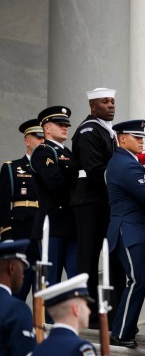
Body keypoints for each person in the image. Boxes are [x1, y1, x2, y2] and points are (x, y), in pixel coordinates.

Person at [107, 119, 145, 350]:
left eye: (142, 137)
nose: (142, 141)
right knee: (139, 279)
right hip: (131, 231)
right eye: (137, 137)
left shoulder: (132, 163)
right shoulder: (124, 164)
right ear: (122, 139)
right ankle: (122, 332)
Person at [71, 87, 122, 313]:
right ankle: (87, 309)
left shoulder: (106, 131)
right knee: (88, 256)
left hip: (104, 200)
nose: (111, 105)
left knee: (110, 256)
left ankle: (107, 309)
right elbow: (94, 169)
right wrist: (123, 179)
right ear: (93, 107)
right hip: (90, 201)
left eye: (112, 101)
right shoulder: (88, 130)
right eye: (105, 102)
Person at [30, 105, 78, 285]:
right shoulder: (44, 152)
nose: (65, 127)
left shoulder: (68, 153)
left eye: (66, 124)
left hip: (71, 224)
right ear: (47, 128)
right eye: (60, 124)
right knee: (51, 280)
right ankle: (48, 315)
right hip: (53, 225)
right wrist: (78, 180)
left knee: (76, 278)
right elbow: (55, 183)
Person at [0, 119, 44, 299]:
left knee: (43, 293)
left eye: (44, 138)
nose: (42, 141)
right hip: (21, 232)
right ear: (27, 140)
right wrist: (6, 235)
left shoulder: (50, 168)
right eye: (38, 137)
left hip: (44, 234)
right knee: (19, 289)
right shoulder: (12, 168)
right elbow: (2, 203)